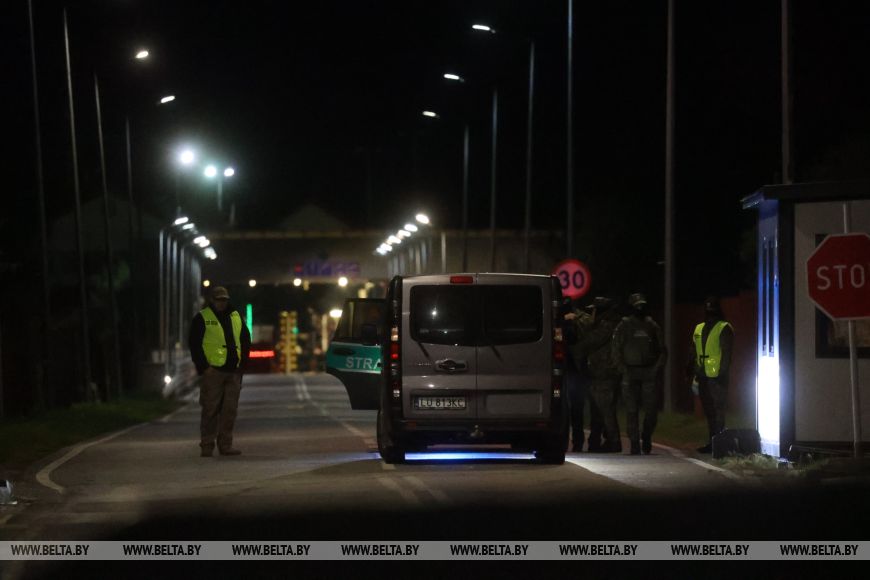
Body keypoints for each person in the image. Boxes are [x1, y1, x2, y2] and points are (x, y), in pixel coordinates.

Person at [188, 286, 251, 457]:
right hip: (213, 371)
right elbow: (194, 344)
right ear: (212, 300)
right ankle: (207, 445)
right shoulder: (202, 318)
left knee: (229, 411)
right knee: (210, 409)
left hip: (233, 371)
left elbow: (245, 339)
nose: (222, 303)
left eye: (224, 300)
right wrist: (204, 367)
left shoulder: (236, 316)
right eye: (218, 300)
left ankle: (225, 445)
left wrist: (243, 364)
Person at [613, 293, 667, 455]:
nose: (640, 308)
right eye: (637, 306)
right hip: (630, 372)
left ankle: (647, 436)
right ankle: (635, 442)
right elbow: (616, 349)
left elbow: (662, 350)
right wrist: (622, 368)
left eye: (642, 305)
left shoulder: (652, 325)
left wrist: (656, 368)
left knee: (651, 410)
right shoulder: (624, 326)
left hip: (649, 372)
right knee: (631, 410)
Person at [572, 296, 622, 453]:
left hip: (604, 373)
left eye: (594, 310)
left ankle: (614, 441)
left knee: (605, 409)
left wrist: (574, 350)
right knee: (598, 410)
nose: (591, 313)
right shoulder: (606, 324)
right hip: (599, 373)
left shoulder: (606, 326)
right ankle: (596, 441)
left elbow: (589, 342)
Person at [689, 296, 734, 454]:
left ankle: (719, 445)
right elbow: (694, 352)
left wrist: (722, 372)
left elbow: (727, 353)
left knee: (718, 412)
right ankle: (713, 443)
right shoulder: (699, 328)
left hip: (717, 377)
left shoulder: (724, 328)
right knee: (710, 412)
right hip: (703, 375)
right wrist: (693, 371)